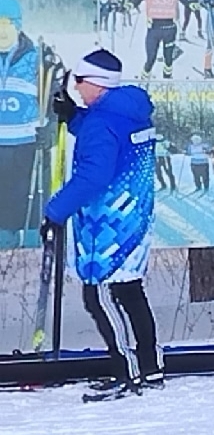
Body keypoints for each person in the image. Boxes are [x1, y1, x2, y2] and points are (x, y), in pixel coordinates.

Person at [44, 49, 161, 397]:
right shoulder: (129, 110)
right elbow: (110, 136)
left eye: (80, 81)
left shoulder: (101, 121)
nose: (76, 87)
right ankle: (149, 368)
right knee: (129, 292)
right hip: (134, 218)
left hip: (107, 225)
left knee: (100, 296)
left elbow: (94, 176)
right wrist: (75, 117)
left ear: (97, 83)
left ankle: (129, 371)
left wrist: (55, 212)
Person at [0, 0, 44, 241]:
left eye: (7, 24)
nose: (2, 31)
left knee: (26, 206)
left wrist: (49, 126)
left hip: (26, 148)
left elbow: (57, 99)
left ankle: (31, 248)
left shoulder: (36, 59)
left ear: (18, 26)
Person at [140, 0, 182, 78]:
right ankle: (144, 79)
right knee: (151, 58)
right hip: (154, 28)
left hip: (170, 28)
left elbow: (186, 1)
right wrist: (128, 5)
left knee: (168, 60)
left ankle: (167, 81)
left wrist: (193, 5)